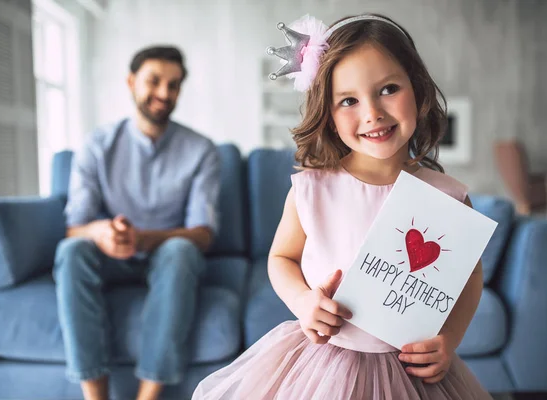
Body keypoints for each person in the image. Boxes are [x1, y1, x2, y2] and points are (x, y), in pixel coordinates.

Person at [193, 13, 491, 400]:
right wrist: (303, 301)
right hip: (324, 366)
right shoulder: (312, 189)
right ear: (330, 117)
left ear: (417, 91)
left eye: (388, 89)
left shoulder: (447, 198)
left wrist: (449, 339)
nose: (372, 113)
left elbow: (469, 281)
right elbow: (281, 258)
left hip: (411, 373)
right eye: (348, 100)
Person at [53, 46, 221, 400]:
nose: (164, 93)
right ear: (131, 82)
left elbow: (203, 234)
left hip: (165, 258)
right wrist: (101, 232)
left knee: (182, 250)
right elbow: (75, 227)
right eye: (154, 81)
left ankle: (148, 396)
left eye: (173, 85)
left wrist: (142, 239)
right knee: (72, 250)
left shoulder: (202, 150)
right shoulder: (97, 144)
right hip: (107, 255)